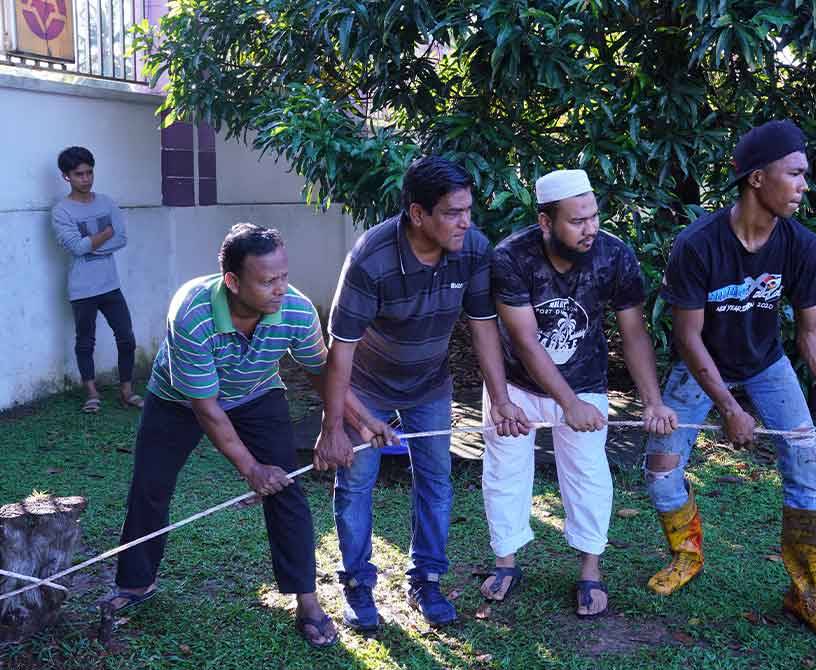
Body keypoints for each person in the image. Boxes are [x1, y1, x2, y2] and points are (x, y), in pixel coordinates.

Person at [645, 120, 816, 643]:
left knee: (804, 460)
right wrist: (729, 408)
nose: (803, 186)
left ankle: (807, 594)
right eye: (794, 174)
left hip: (766, 364)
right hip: (704, 363)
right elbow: (687, 337)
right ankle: (687, 555)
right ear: (757, 179)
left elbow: (812, 333)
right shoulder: (698, 244)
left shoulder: (800, 244)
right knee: (661, 469)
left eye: (804, 175)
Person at [314, 156, 531, 631]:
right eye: (453, 212)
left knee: (436, 480)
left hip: (430, 384)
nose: (465, 221)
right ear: (417, 213)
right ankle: (357, 585)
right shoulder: (371, 258)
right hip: (366, 385)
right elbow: (340, 349)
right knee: (356, 484)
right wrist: (335, 425)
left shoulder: (472, 249)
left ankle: (426, 580)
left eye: (468, 210)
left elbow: (483, 327)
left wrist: (501, 399)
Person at [105, 224, 338, 649]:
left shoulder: (296, 309)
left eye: (284, 276)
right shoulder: (192, 311)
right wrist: (251, 469)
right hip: (179, 399)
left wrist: (344, 423)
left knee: (287, 488)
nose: (280, 289)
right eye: (267, 281)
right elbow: (207, 408)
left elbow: (322, 371)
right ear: (232, 281)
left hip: (257, 391)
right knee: (150, 486)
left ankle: (307, 601)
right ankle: (136, 582)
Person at [478, 169, 679, 618]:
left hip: (586, 380)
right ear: (545, 222)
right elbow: (524, 341)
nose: (590, 228)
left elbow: (634, 333)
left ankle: (590, 569)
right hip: (515, 384)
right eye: (576, 220)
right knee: (505, 472)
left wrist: (652, 400)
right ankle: (506, 562)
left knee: (588, 474)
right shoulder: (511, 257)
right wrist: (564, 403)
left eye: (593, 217)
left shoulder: (615, 255)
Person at [51, 146, 142, 413]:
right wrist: (105, 234)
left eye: (89, 172)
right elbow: (76, 247)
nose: (86, 179)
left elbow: (121, 238)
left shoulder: (107, 203)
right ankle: (91, 393)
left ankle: (127, 391)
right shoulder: (61, 211)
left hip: (110, 284)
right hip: (82, 288)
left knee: (126, 337)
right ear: (66, 176)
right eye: (79, 174)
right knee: (85, 341)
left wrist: (90, 244)